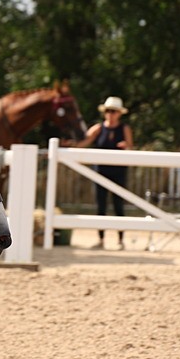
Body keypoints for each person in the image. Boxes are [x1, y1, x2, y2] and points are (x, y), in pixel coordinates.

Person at [75, 96, 134, 249]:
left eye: (113, 111)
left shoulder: (125, 129)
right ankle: (101, 239)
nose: (110, 114)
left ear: (119, 113)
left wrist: (126, 147)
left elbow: (131, 148)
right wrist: (68, 147)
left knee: (118, 206)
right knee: (100, 207)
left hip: (119, 172)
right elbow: (83, 142)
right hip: (100, 173)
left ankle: (120, 240)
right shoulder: (98, 128)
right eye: (108, 111)